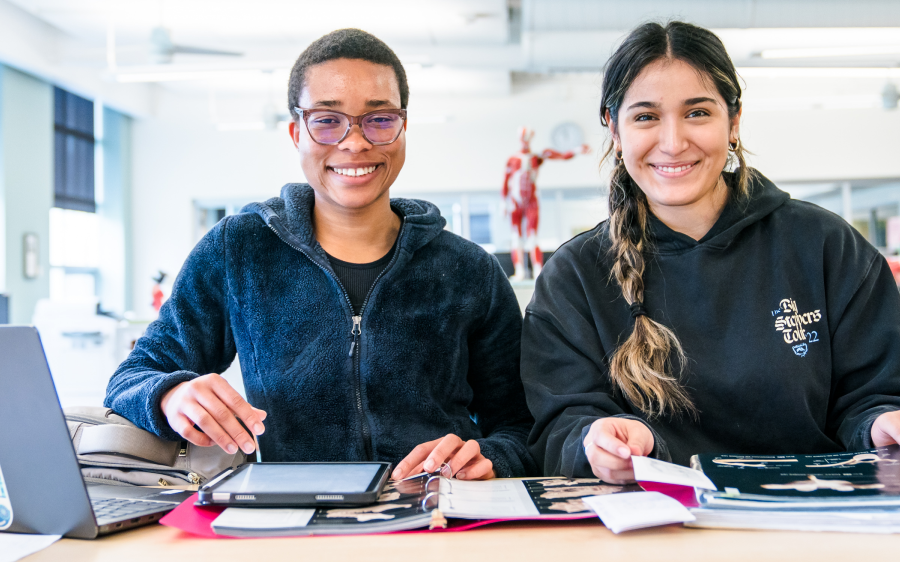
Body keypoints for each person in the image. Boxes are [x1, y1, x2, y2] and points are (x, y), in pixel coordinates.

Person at [105, 28, 536, 481]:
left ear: (403, 127)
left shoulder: (470, 271)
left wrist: (491, 457)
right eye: (327, 120)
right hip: (290, 517)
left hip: (434, 515)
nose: (354, 142)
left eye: (379, 118)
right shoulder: (240, 249)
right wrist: (170, 395)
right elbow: (132, 378)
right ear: (297, 133)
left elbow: (521, 426)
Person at [521, 21, 900, 481]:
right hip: (653, 530)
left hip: (813, 519)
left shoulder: (826, 246)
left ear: (734, 120)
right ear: (614, 131)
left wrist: (880, 424)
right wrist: (597, 441)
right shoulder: (574, 276)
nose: (674, 142)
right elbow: (557, 427)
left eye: (697, 112)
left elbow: (874, 394)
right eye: (645, 117)